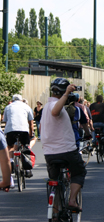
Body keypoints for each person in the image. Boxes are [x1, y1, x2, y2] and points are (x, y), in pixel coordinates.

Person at [41, 78, 86, 212]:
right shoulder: (55, 106)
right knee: (79, 171)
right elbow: (56, 112)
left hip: (49, 153)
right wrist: (66, 93)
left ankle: (54, 212)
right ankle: (72, 200)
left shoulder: (45, 107)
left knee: (54, 180)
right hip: (66, 150)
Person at [3, 94, 34, 178]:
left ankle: (12, 162)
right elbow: (31, 123)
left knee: (10, 147)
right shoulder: (26, 107)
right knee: (25, 146)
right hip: (23, 130)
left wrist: (8, 131)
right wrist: (31, 133)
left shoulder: (8, 107)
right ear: (21, 100)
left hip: (11, 130)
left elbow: (6, 121)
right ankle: (27, 168)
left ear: (12, 100)